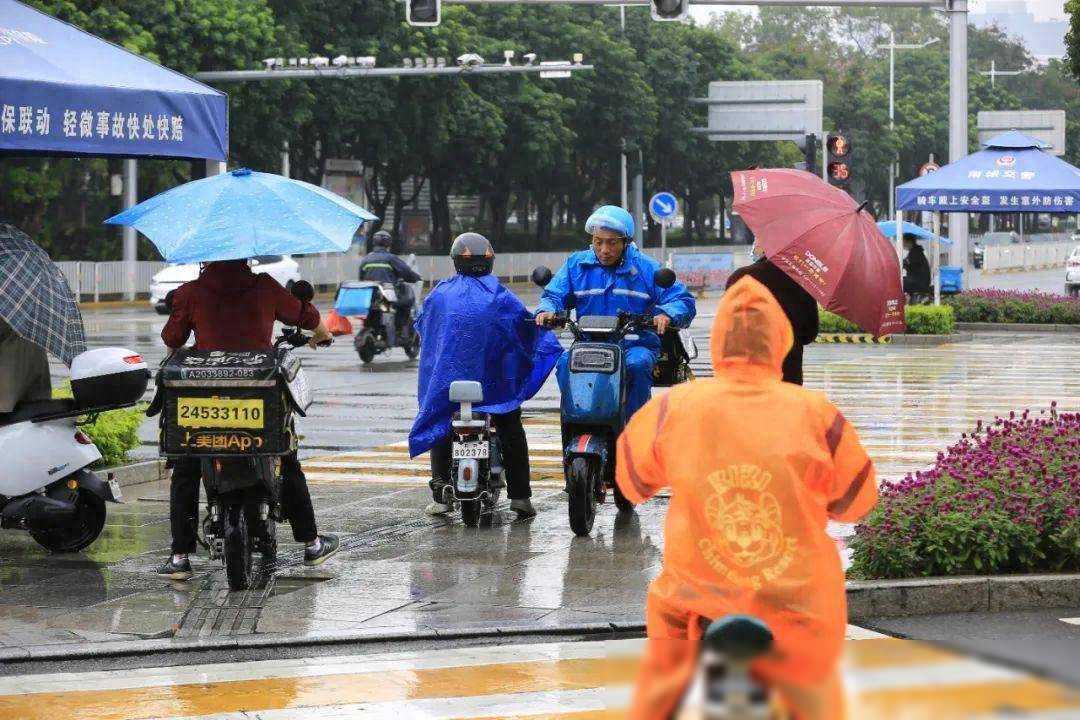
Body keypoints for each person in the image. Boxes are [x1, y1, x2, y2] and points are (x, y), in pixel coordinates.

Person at [616, 276, 878, 720]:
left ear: (717, 340)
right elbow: (858, 500)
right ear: (780, 340)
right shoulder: (816, 413)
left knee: (661, 689)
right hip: (796, 603)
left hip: (694, 601)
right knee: (817, 697)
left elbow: (630, 482)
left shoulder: (672, 408)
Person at [156, 259, 338, 580]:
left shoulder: (191, 292)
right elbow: (307, 316)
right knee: (286, 455)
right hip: (259, 397)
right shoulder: (264, 286)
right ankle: (311, 543)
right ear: (247, 256)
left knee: (186, 467)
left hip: (202, 402)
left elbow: (172, 338)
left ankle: (180, 556)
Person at [410, 232, 562, 518]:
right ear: (490, 262)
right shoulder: (500, 295)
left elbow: (424, 329)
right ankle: (521, 497)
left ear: (456, 261)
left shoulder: (440, 294)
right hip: (493, 389)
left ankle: (441, 493)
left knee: (441, 421)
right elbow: (525, 330)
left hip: (448, 387)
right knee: (511, 427)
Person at [534, 205, 695, 420]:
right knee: (565, 364)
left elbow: (681, 300)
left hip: (635, 344)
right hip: (589, 344)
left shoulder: (646, 268)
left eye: (612, 243)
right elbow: (554, 295)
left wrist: (666, 314)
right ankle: (578, 420)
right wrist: (547, 311)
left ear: (625, 242)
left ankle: (635, 429)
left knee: (637, 365)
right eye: (598, 242)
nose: (604, 250)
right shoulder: (576, 265)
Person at [725, 242, 818, 385]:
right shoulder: (801, 280)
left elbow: (728, 326)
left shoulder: (740, 277)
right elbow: (809, 333)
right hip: (788, 375)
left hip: (747, 371)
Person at [359, 230, 423, 338]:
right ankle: (401, 330)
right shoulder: (390, 258)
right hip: (387, 296)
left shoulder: (366, 259)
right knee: (406, 302)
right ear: (388, 243)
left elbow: (361, 278)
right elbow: (406, 272)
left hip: (370, 297)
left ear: (374, 242)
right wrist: (416, 278)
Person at [0, 317, 51, 415]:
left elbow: (4, 404)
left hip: (16, 419)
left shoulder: (15, 343)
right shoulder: (30, 329)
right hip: (33, 415)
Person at [903, 235, 932, 303]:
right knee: (903, 280)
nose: (903, 244)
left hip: (919, 283)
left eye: (903, 242)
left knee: (899, 283)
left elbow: (908, 263)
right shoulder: (917, 251)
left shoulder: (915, 252)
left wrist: (902, 264)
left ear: (909, 242)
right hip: (921, 281)